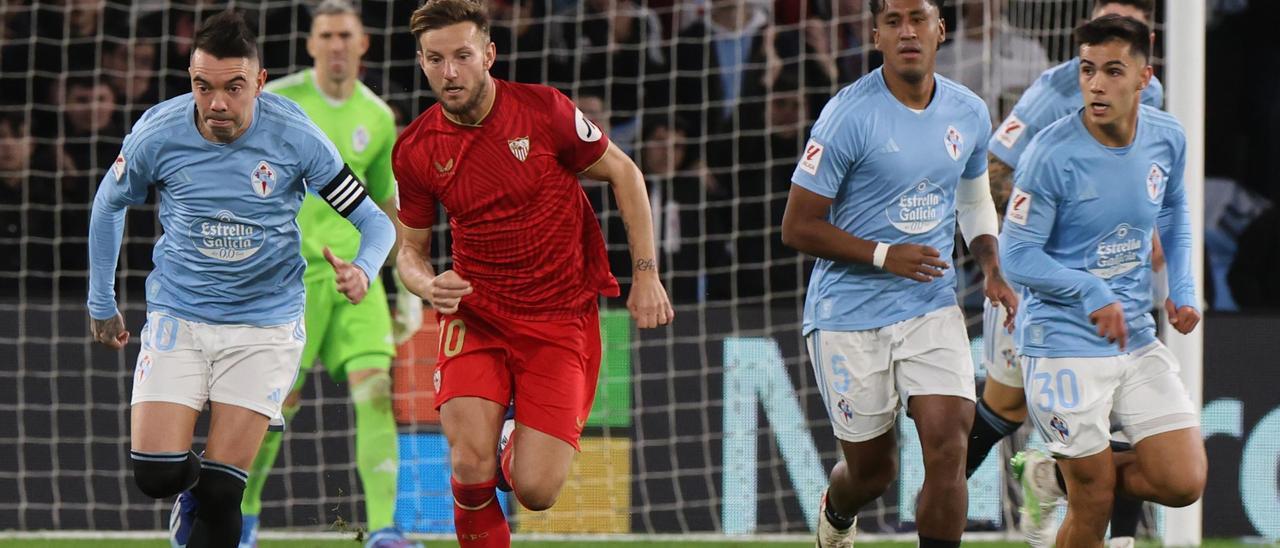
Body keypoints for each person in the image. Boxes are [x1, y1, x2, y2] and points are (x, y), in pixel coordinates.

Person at [86, 10, 395, 548]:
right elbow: (108, 205)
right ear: (191, 80)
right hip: (179, 317)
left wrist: (365, 270)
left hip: (264, 329)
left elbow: (373, 221)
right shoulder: (159, 131)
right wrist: (99, 301)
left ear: (259, 81)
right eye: (203, 87)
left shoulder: (296, 136)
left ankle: (218, 496)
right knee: (154, 475)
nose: (217, 104)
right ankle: (191, 489)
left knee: (226, 495)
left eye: (233, 88)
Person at [392, 1, 674, 546]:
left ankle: (512, 442)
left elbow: (625, 172)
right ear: (422, 62)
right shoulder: (417, 149)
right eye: (435, 59)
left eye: (462, 56)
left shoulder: (543, 111)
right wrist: (428, 284)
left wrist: (646, 273)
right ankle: (487, 450)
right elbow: (410, 252)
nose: (449, 72)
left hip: (559, 317)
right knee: (469, 461)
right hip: (477, 315)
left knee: (537, 491)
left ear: (489, 55)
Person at [779, 1, 1016, 546]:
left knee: (950, 444)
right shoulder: (847, 116)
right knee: (872, 473)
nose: (907, 31)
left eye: (918, 19)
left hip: (929, 304)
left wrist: (991, 265)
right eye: (893, 22)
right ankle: (837, 515)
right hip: (848, 314)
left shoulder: (969, 112)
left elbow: (974, 199)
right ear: (876, 36)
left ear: (941, 30)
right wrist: (887, 255)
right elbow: (796, 228)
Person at [999, 15, 1206, 548]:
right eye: (1088, 70)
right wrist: (1092, 291)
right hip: (1061, 341)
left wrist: (1179, 288)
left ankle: (1061, 473)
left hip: (1133, 334)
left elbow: (1176, 210)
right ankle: (1076, 476)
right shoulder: (1051, 152)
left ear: (1144, 76)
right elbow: (1016, 254)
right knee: (1092, 504)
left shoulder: (1167, 136)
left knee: (1183, 481)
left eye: (1113, 71)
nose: (1096, 84)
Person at [971, 2, 1163, 545]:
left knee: (1118, 416)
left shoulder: (1156, 98)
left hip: (1116, 287)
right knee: (1002, 408)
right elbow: (992, 170)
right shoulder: (1049, 92)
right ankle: (944, 498)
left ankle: (1118, 538)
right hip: (1041, 278)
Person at [234, 2, 419, 547]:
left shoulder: (380, 116)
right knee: (272, 407)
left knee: (378, 392)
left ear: (363, 44)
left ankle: (384, 530)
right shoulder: (278, 101)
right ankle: (241, 517)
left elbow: (387, 203)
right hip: (287, 281)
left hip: (357, 283)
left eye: (346, 35)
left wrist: (398, 279)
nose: (336, 44)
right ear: (311, 44)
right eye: (326, 35)